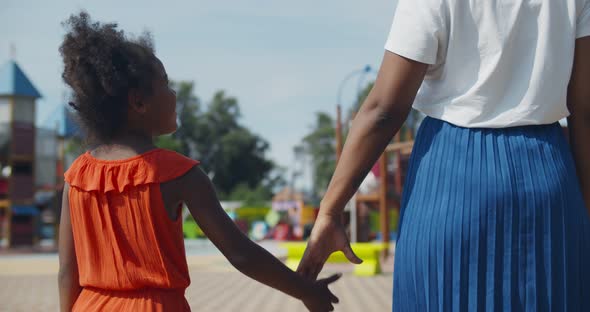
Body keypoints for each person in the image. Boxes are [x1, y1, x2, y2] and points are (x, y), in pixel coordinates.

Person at [297, 0, 590, 311]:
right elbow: (584, 111)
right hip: (547, 180)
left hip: (450, 181)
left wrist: (330, 211)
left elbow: (385, 109)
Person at [57, 11, 340, 312]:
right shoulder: (178, 174)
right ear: (139, 102)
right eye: (165, 84)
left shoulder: (77, 176)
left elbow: (67, 273)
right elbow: (241, 253)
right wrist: (305, 290)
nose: (174, 93)